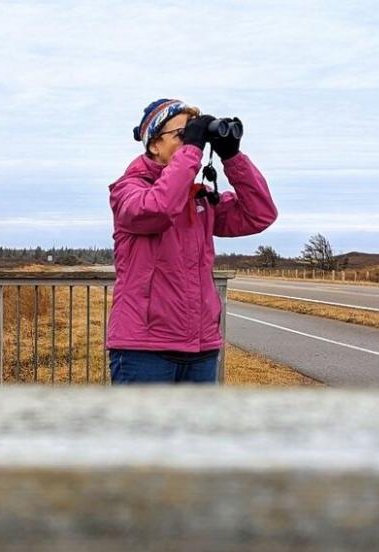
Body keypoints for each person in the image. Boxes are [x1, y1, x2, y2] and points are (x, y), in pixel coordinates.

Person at [107, 99, 277, 384]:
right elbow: (158, 209)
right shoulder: (128, 190)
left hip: (201, 347)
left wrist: (233, 158)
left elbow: (260, 214)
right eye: (182, 136)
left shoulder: (199, 199)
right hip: (145, 349)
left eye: (195, 136)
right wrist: (193, 150)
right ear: (154, 145)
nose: (192, 144)